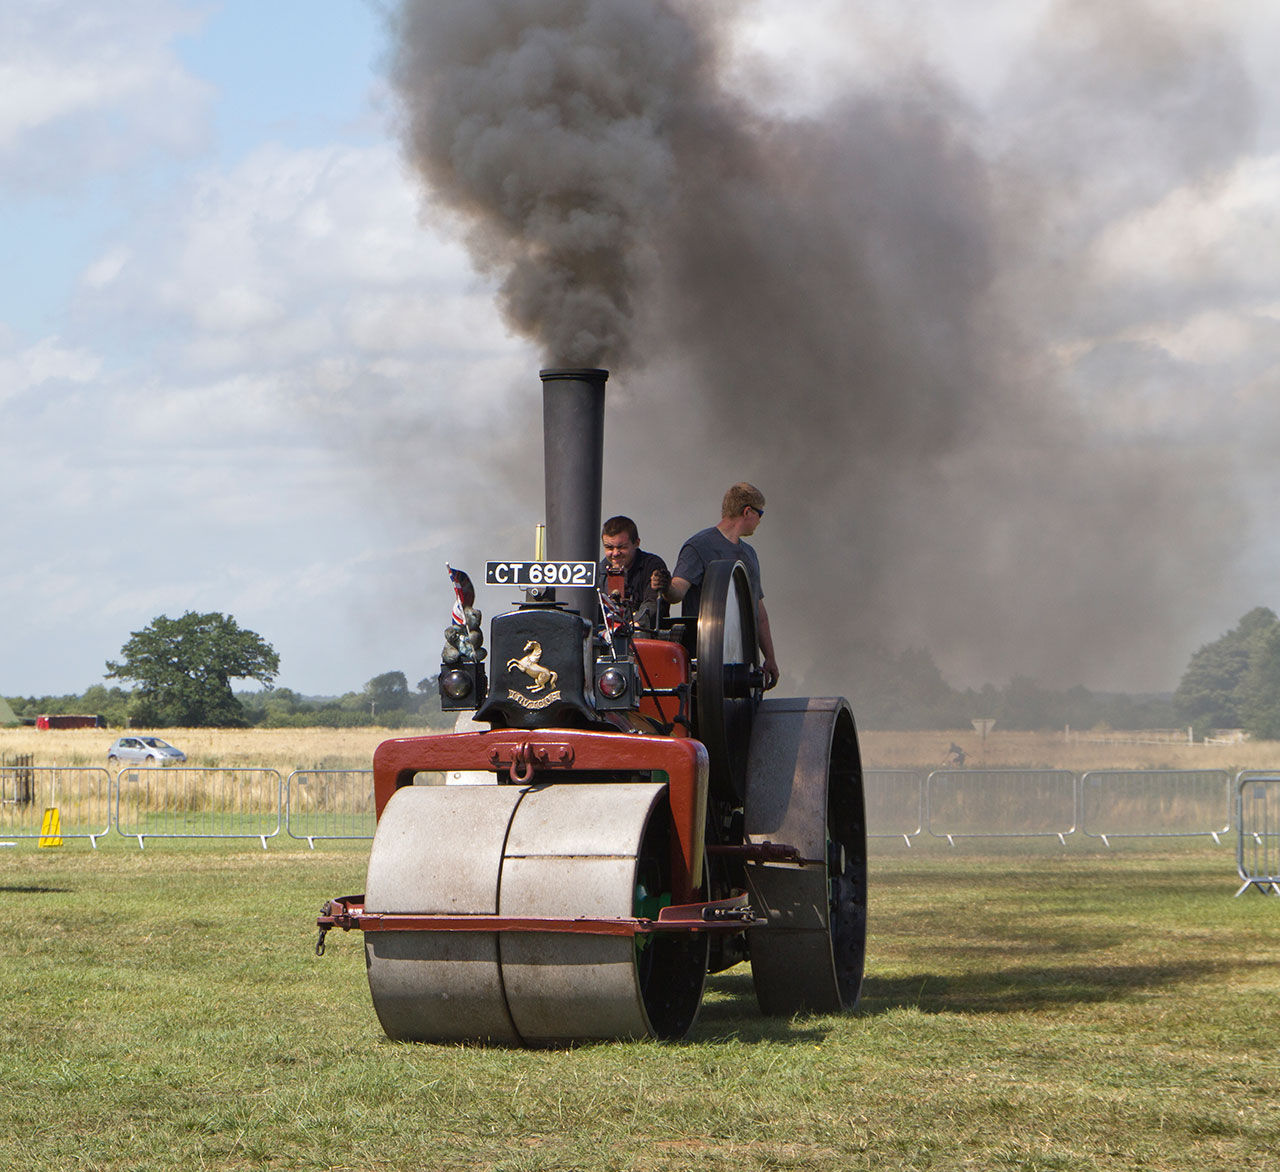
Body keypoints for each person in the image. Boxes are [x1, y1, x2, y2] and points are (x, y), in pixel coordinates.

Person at [668, 482, 779, 690]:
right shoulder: (699, 546)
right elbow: (676, 591)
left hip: (744, 666)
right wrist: (665, 586)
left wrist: (770, 658)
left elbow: (759, 613)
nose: (759, 521)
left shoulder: (750, 555)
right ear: (748, 512)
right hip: (707, 665)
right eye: (760, 514)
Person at [598, 515, 672, 629]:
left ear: (636, 543)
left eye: (621, 547)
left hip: (645, 640)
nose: (615, 553)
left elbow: (653, 604)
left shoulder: (652, 566)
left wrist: (635, 626)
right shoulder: (598, 572)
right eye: (609, 548)